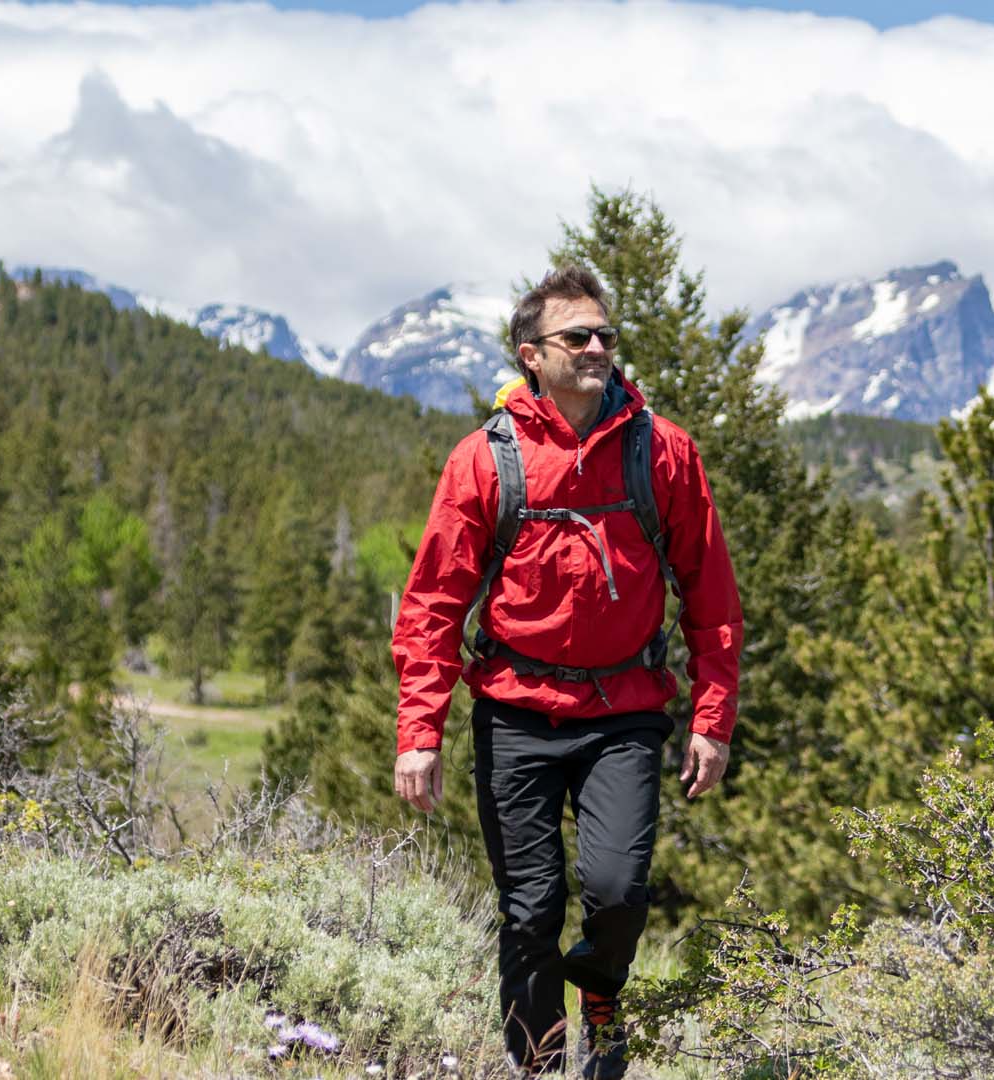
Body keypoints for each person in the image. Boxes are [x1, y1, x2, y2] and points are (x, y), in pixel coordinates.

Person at [391, 265, 744, 1077]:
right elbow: (433, 606)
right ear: (530, 355)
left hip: (624, 711)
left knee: (617, 892)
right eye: (575, 337)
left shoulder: (665, 454)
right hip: (515, 713)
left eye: (605, 336)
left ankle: (602, 1006)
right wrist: (420, 733)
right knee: (528, 911)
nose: (597, 347)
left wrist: (712, 718)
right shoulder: (486, 460)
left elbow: (713, 601)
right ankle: (541, 1066)